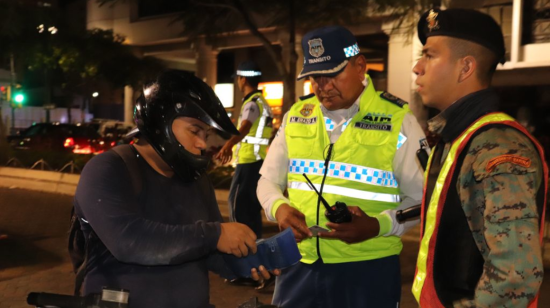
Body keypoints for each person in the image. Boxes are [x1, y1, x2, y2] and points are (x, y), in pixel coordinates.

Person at [257, 25, 427, 308]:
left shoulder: (398, 121)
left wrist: (377, 225)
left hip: (368, 270)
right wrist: (279, 208)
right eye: (315, 77)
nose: (324, 86)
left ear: (360, 66)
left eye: (333, 73)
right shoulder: (297, 116)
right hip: (300, 265)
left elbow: (422, 201)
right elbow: (266, 182)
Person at [74, 71, 274, 308]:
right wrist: (215, 234)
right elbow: (129, 242)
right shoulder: (108, 169)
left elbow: (203, 250)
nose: (202, 143)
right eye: (194, 130)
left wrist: (251, 258)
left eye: (206, 134)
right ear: (161, 122)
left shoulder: (196, 180)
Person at [411, 8, 548, 308]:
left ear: (465, 68)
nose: (417, 68)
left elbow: (515, 275)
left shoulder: (497, 146)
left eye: (430, 55)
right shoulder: (458, 137)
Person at [215, 61, 273, 239]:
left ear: (243, 79)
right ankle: (256, 253)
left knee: (238, 209)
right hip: (258, 162)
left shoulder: (252, 103)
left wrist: (228, 145)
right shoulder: (263, 102)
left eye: (238, 79)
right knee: (251, 211)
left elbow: (245, 127)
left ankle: (245, 253)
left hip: (248, 163)